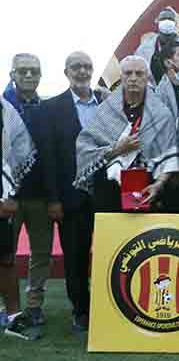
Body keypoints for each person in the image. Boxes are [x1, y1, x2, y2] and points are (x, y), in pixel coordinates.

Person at [36, 52, 102, 334]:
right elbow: (48, 158)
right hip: (70, 198)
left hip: (106, 195)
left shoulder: (108, 103)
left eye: (87, 66)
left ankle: (109, 306)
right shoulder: (51, 108)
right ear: (66, 72)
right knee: (75, 258)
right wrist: (53, 199)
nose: (82, 71)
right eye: (76, 67)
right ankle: (81, 312)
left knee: (108, 253)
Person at [74, 56, 179, 213]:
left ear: (147, 77)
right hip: (108, 188)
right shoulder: (106, 110)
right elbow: (85, 148)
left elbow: (170, 154)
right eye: (128, 73)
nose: (133, 78)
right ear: (121, 76)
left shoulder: (161, 113)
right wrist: (118, 149)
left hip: (147, 187)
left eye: (139, 74)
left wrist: (158, 185)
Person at [2, 54, 48, 339]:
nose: (29, 76)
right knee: (3, 255)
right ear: (12, 73)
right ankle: (6, 309)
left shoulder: (48, 108)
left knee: (40, 253)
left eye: (34, 71)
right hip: (7, 196)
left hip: (39, 194)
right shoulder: (4, 108)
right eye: (23, 71)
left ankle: (33, 306)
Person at [0, 90, 37, 338]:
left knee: (5, 259)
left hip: (2, 197)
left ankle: (13, 318)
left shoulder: (4, 109)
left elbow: (13, 154)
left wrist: (8, 194)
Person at [134, 8, 179, 85]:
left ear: (175, 23)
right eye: (163, 18)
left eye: (170, 19)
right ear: (158, 22)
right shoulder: (145, 48)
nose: (167, 21)